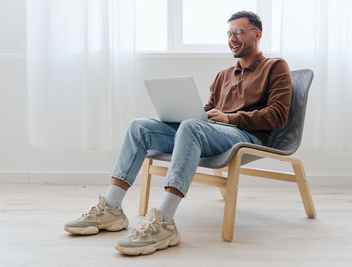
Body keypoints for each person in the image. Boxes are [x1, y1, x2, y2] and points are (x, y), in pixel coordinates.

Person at [64, 10, 292, 256]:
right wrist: (186, 113)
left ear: (257, 35)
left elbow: (277, 115)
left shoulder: (275, 67)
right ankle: (111, 208)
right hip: (210, 132)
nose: (232, 39)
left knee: (191, 127)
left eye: (238, 32)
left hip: (246, 136)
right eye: (229, 33)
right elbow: (206, 111)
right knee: (140, 127)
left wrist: (230, 118)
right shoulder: (223, 75)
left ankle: (165, 220)